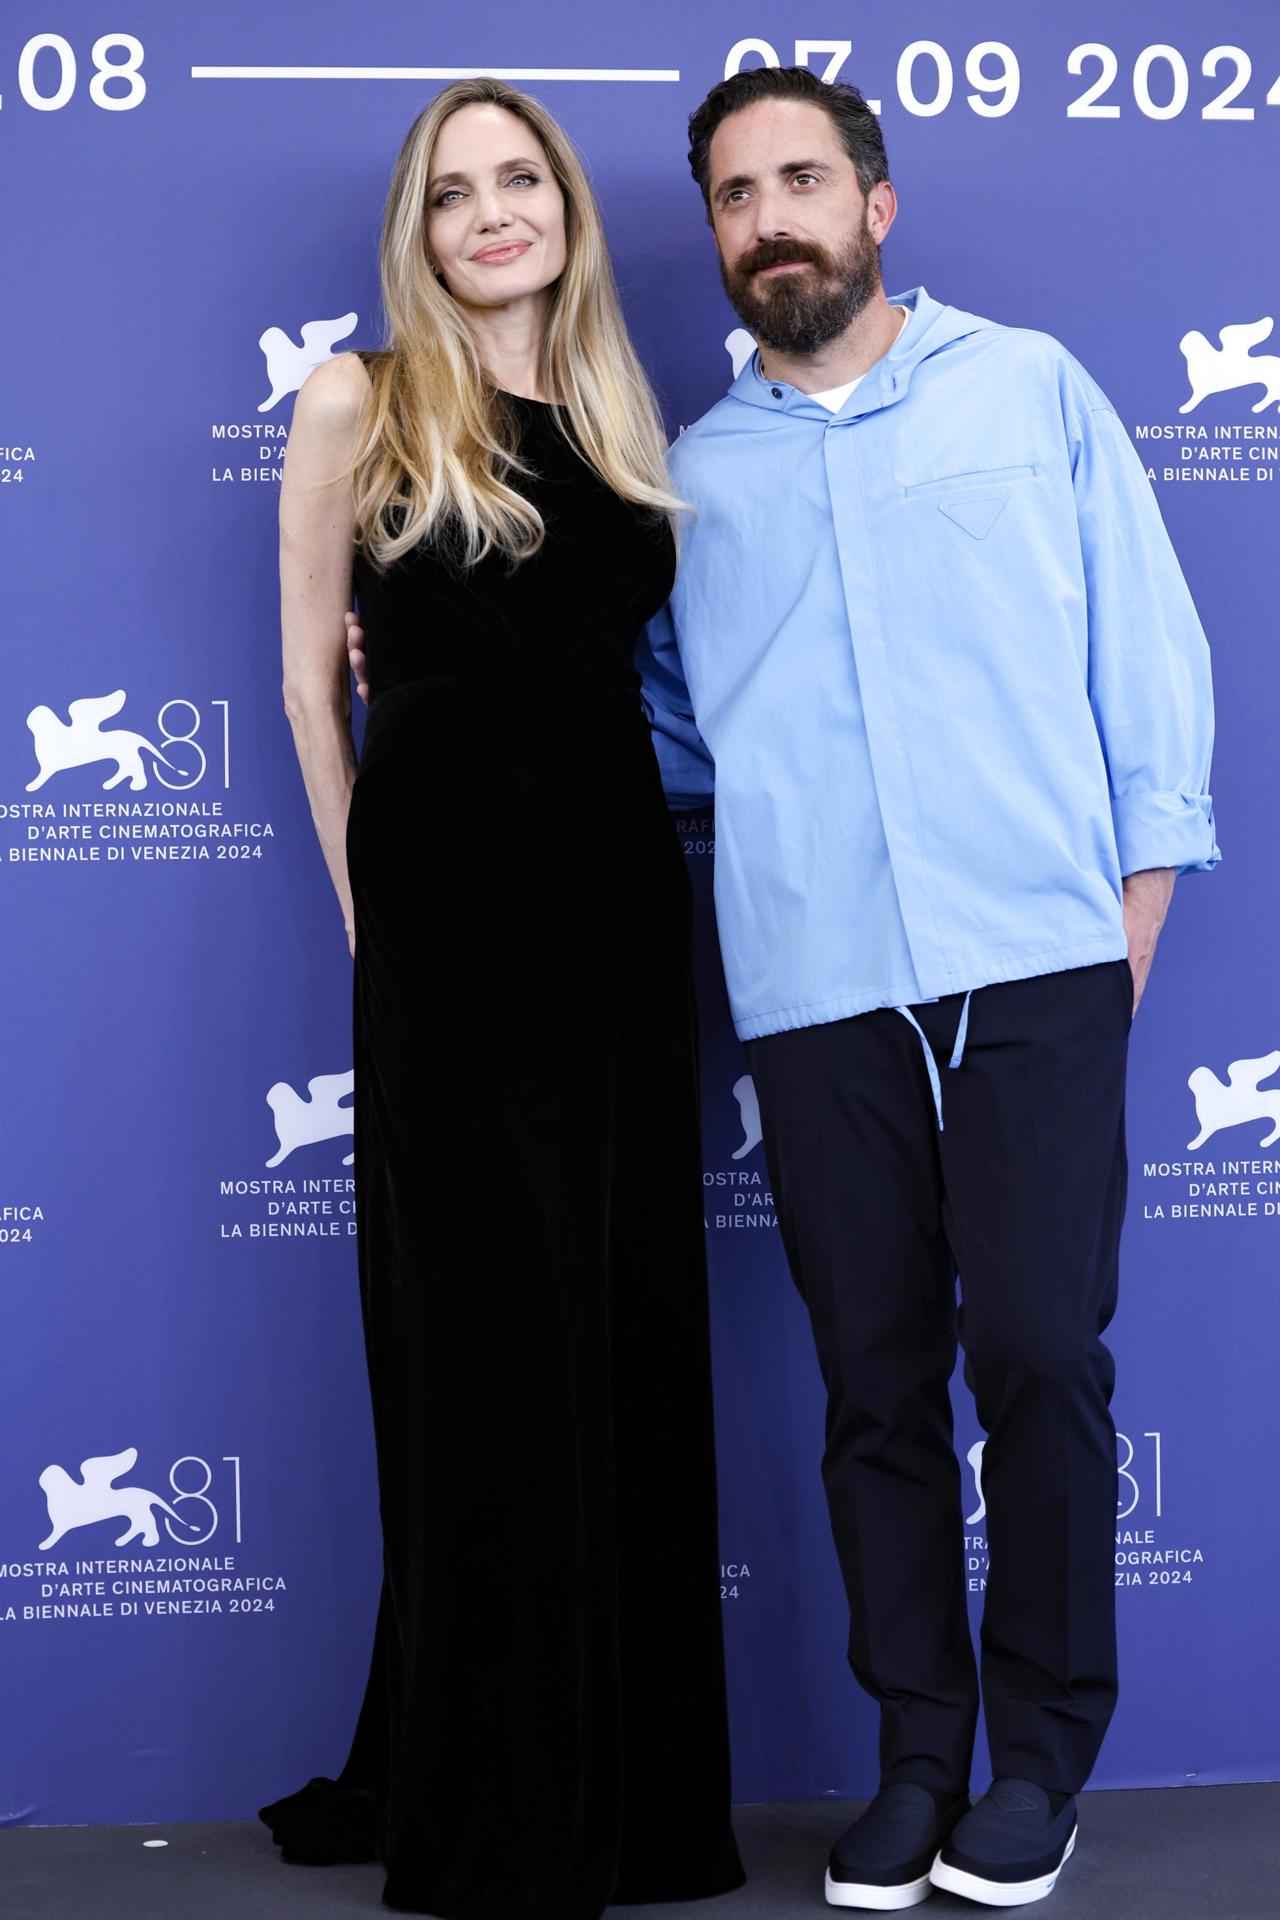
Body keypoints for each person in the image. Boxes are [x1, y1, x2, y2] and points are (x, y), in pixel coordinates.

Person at [634, 62, 1217, 1912]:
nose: (771, 220)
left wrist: (1119, 950)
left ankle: (1038, 1760)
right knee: (873, 1386)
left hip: (1040, 964)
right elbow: (661, 731)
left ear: (879, 205)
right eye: (737, 197)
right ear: (719, 236)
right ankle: (915, 1754)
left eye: (804, 180)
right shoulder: (695, 477)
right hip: (817, 987)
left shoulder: (1028, 389)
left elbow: (1153, 667)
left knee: (1042, 1361)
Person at [259, 76, 744, 1920]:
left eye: (519, 180)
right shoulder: (359, 403)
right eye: (454, 193)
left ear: (565, 207)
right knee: (483, 1346)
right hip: (448, 916)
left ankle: (633, 1803)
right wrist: (370, 905)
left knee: (620, 1321)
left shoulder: (618, 415)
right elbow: (316, 692)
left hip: (621, 909)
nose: (491, 216)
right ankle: (491, 1804)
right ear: (419, 228)